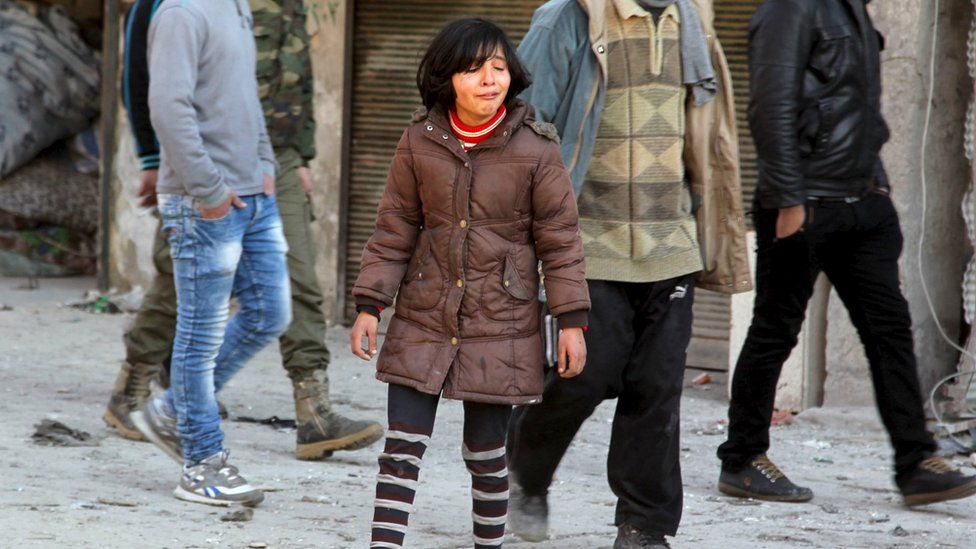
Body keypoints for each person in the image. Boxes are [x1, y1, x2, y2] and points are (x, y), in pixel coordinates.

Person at [507, 0, 751, 547]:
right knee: (586, 375)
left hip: (671, 242)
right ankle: (526, 471)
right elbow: (517, 120)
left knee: (658, 386)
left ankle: (645, 525)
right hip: (586, 241)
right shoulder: (569, 18)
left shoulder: (692, 19)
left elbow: (709, 129)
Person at [716, 0, 976, 507]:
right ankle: (742, 458)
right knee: (775, 330)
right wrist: (789, 199)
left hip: (861, 200)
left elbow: (858, 107)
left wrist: (877, 186)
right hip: (805, 202)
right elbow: (770, 105)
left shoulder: (851, 8)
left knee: (890, 332)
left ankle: (916, 463)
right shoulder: (791, 8)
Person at [348, 18, 590, 548]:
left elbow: (561, 242)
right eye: (474, 68)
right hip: (423, 313)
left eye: (499, 67)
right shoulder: (418, 142)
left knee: (486, 453)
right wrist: (371, 304)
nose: (490, 79)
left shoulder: (538, 149)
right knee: (401, 448)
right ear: (445, 79)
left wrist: (571, 321)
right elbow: (393, 228)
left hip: (501, 320)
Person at [105, 0, 383, 462]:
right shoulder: (177, 8)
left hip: (272, 161)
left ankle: (313, 411)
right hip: (201, 161)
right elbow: (144, 81)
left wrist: (297, 156)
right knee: (182, 286)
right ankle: (135, 391)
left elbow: (297, 78)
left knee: (294, 285)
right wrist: (156, 161)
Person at [132, 0, 292, 507]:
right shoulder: (180, 12)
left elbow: (245, 97)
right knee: (200, 338)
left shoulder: (236, 7)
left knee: (270, 313)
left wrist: (264, 162)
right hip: (203, 204)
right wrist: (208, 189)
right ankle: (201, 465)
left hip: (254, 197)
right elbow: (168, 107)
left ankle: (171, 410)